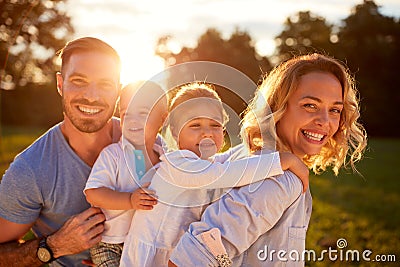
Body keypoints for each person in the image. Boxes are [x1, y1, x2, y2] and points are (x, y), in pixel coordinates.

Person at [168, 53, 368, 266]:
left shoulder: (244, 157)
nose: (325, 121)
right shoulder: (279, 180)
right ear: (278, 106)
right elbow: (191, 258)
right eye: (310, 105)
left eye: (335, 110)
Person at [119, 82, 309, 267]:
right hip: (148, 256)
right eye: (195, 125)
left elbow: (229, 159)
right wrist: (281, 161)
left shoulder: (204, 164)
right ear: (175, 132)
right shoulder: (179, 164)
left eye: (215, 125)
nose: (207, 133)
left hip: (172, 250)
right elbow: (226, 173)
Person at [0, 37, 122, 266]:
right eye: (79, 80)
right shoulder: (30, 170)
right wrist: (54, 246)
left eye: (105, 84)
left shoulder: (146, 145)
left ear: (119, 90)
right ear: (60, 84)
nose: (92, 96)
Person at [84, 81, 167, 266]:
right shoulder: (114, 155)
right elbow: (93, 193)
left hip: (146, 243)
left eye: (143, 114)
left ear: (163, 119)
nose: (132, 121)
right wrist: (129, 200)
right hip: (111, 243)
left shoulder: (166, 158)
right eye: (125, 114)